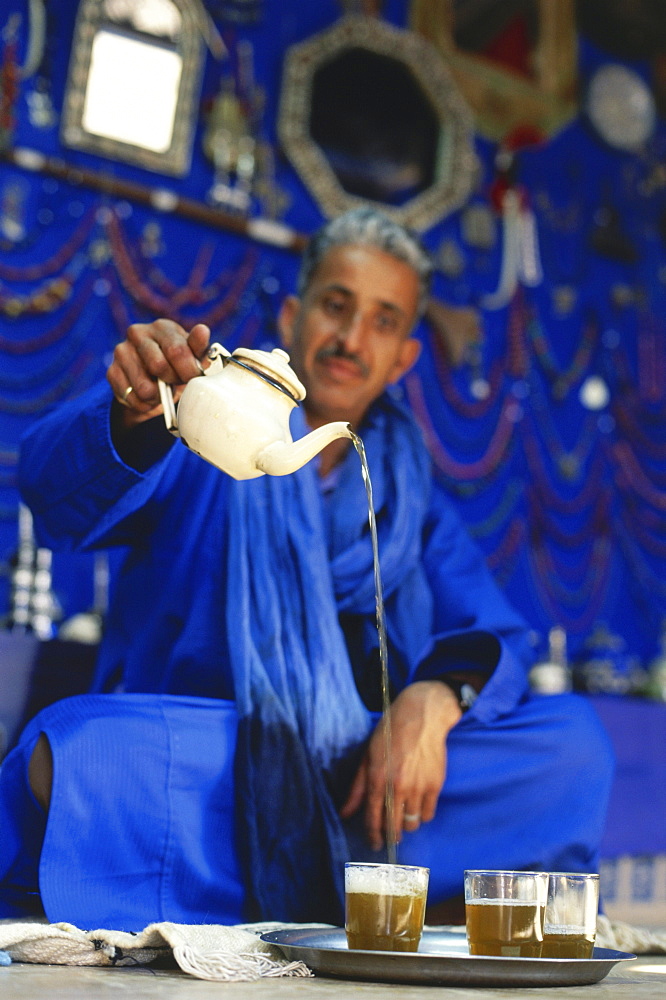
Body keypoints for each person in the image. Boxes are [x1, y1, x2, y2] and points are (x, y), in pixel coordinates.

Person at [1, 208, 614, 930]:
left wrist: (435, 701)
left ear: (403, 359)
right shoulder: (207, 424)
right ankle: (377, 888)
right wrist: (133, 416)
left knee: (573, 746)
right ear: (293, 315)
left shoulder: (413, 502)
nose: (352, 340)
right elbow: (53, 496)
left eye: (383, 322)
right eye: (335, 306)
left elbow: (498, 637)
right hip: (219, 769)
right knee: (85, 750)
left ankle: (253, 879)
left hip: (369, 779)